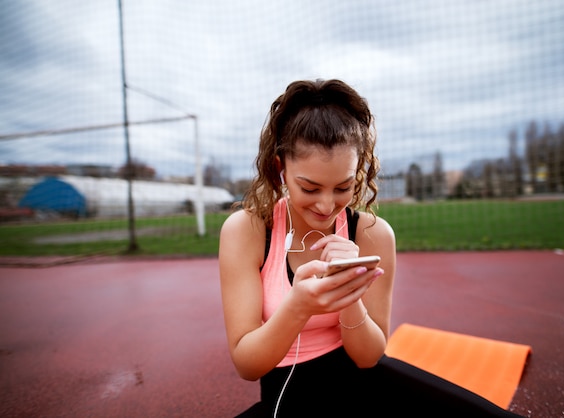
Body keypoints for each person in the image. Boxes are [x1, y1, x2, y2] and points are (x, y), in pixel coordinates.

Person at [219, 79, 525, 417]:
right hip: (289, 396)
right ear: (281, 169)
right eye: (310, 187)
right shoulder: (247, 230)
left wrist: (350, 294)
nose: (326, 205)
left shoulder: (373, 233)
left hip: (367, 382)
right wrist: (298, 306)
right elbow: (247, 365)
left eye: (343, 187)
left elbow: (369, 356)